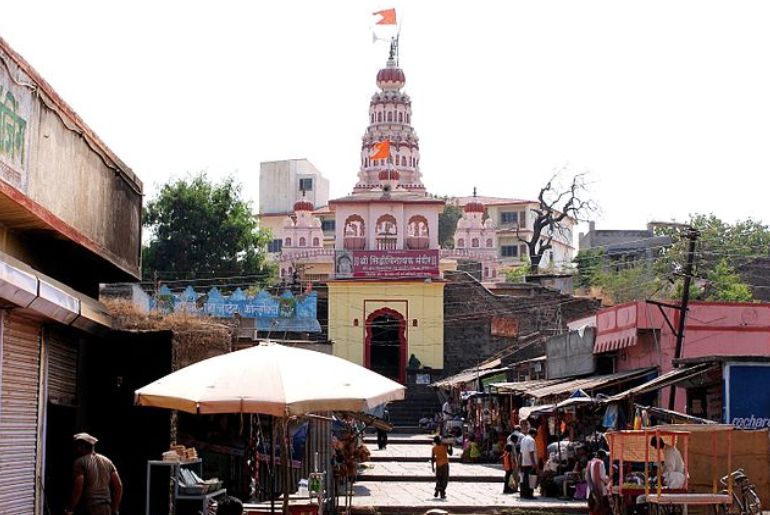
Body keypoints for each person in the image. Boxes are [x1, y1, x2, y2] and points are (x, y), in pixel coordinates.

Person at [65, 433, 122, 515]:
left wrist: (70, 508)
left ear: (82, 447)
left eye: (77, 446)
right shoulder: (108, 461)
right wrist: (115, 509)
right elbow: (118, 486)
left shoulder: (80, 462)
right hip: (106, 508)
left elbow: (78, 487)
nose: (76, 449)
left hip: (89, 508)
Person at [586, 450, 611, 515]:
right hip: (600, 489)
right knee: (602, 506)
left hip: (590, 489)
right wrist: (608, 480)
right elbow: (602, 476)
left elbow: (587, 476)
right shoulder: (601, 463)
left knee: (592, 506)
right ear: (602, 457)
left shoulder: (590, 462)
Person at [431, 435, 452, 499]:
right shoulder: (444, 446)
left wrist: (432, 467)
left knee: (438, 478)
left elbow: (432, 458)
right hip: (445, 464)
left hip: (438, 465)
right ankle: (442, 492)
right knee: (444, 478)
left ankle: (437, 489)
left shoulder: (434, 448)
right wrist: (450, 446)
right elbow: (450, 453)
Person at [519, 427, 538, 499]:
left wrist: (520, 463)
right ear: (534, 434)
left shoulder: (523, 439)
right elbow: (531, 452)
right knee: (531, 479)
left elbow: (521, 453)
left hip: (524, 462)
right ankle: (529, 494)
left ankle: (523, 493)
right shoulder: (531, 440)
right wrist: (534, 463)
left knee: (524, 479)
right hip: (530, 463)